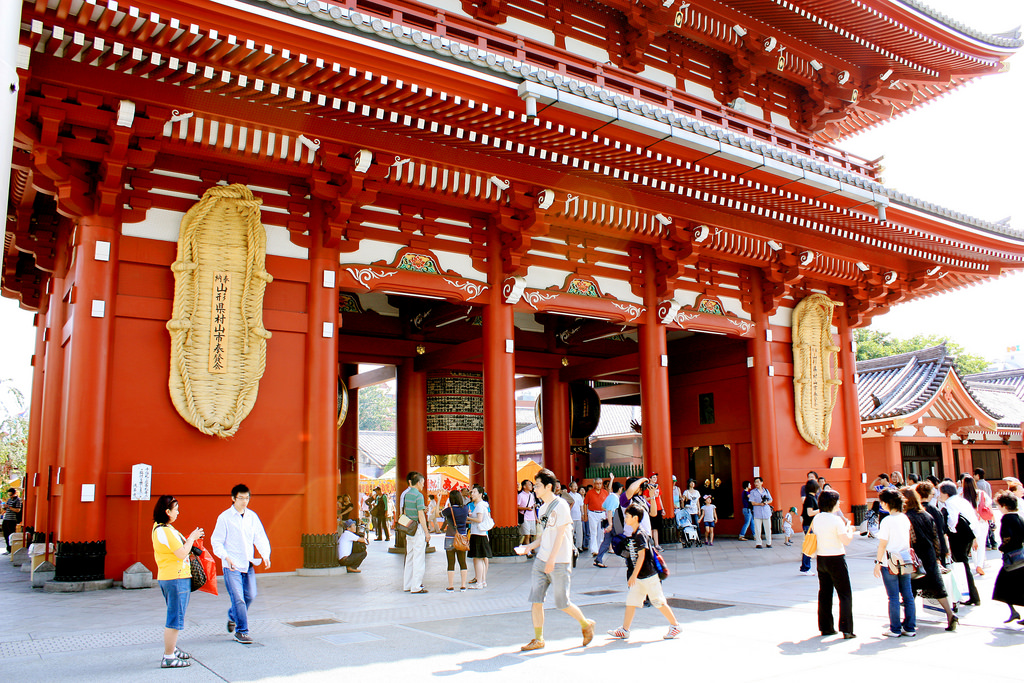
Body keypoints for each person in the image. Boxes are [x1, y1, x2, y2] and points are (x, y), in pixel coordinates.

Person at [515, 468, 595, 652]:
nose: (535, 488)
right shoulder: (542, 508)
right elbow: (545, 535)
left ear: (548, 486)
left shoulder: (561, 505)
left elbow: (560, 534)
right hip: (541, 560)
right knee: (536, 599)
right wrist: (529, 547)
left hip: (559, 561)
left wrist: (551, 560)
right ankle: (539, 638)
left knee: (562, 602)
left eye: (537, 485)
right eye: (534, 485)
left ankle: (585, 624)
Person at [606, 503, 682, 640]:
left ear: (635, 518)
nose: (626, 518)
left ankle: (675, 626)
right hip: (640, 577)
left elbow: (641, 556)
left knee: (659, 601)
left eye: (627, 516)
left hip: (648, 575)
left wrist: (633, 575)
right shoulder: (634, 534)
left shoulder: (640, 535)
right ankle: (625, 629)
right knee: (631, 601)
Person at [211, 484, 271, 645]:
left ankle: (232, 616)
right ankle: (242, 631)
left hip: (248, 563)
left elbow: (260, 537)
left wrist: (265, 554)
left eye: (247, 498)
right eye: (241, 498)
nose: (245, 501)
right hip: (231, 565)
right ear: (233, 498)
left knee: (250, 595)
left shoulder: (252, 516)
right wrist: (225, 556)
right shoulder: (224, 517)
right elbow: (216, 541)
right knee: (238, 598)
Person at [151, 494, 204, 668]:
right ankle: (168, 656)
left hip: (173, 577)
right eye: (176, 510)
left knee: (175, 615)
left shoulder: (163, 528)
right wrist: (192, 538)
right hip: (175, 578)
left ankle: (172, 649)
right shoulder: (164, 531)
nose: (178, 513)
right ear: (167, 511)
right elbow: (181, 553)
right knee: (174, 618)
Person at [904, 487, 957, 631]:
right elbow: (935, 537)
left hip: (916, 557)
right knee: (938, 587)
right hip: (930, 555)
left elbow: (911, 538)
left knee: (910, 589)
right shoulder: (926, 515)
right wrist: (938, 556)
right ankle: (950, 613)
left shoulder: (906, 517)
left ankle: (908, 620)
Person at [811, 490, 855, 639]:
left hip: (821, 558)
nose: (839, 503)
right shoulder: (836, 520)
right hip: (836, 558)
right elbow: (846, 540)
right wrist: (850, 530)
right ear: (833, 503)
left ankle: (826, 627)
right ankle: (847, 628)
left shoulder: (817, 518)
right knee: (845, 594)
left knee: (824, 593)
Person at [873, 488, 916, 637]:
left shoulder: (887, 521)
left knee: (893, 597)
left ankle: (895, 628)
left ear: (886, 503)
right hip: (905, 557)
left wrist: (878, 562)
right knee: (908, 594)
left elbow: (882, 544)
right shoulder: (905, 518)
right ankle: (910, 627)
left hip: (889, 560)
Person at [939, 482, 981, 607]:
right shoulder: (962, 500)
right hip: (969, 534)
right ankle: (973, 595)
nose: (939, 495)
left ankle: (970, 594)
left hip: (959, 535)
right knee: (964, 564)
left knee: (961, 564)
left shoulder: (951, 502)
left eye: (941, 492)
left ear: (946, 493)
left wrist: (950, 531)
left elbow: (953, 519)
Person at [991, 491, 1024, 624]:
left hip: (1012, 558)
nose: (998, 508)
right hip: (1021, 557)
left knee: (1002, 586)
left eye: (999, 505)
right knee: (1018, 586)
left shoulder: (1007, 519)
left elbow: (1007, 537)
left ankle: (1013, 611)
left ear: (1004, 505)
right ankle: (1013, 611)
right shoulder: (1020, 517)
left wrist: (1002, 548)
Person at [402, 471, 430, 594]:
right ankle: (416, 586)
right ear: (418, 482)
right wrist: (427, 532)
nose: (423, 485)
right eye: (422, 483)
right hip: (417, 529)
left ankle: (407, 585)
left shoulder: (406, 495)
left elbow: (405, 512)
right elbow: (421, 515)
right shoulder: (419, 496)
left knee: (410, 557)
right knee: (419, 558)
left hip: (409, 529)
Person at [961, 475, 990, 576]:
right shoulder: (981, 494)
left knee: (973, 545)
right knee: (982, 544)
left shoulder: (962, 496)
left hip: (968, 524)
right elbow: (988, 506)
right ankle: (979, 565)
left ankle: (975, 563)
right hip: (981, 522)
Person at [441, 490, 470, 592]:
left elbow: (438, 514)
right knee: (463, 562)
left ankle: (451, 586)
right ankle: (463, 586)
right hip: (462, 537)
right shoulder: (465, 508)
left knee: (451, 563)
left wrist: (439, 500)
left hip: (450, 537)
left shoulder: (449, 510)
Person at [467, 483, 493, 588]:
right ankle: (482, 581)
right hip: (480, 533)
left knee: (478, 559)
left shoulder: (480, 505)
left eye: (474, 492)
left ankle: (479, 583)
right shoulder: (483, 505)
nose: (472, 494)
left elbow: (479, 520)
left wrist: (468, 518)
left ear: (480, 494)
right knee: (481, 559)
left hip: (478, 534)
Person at [594, 480, 623, 568]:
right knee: (622, 540)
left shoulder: (610, 497)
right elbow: (610, 510)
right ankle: (628, 559)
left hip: (610, 520)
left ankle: (598, 559)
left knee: (606, 542)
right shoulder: (614, 498)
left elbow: (603, 506)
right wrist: (611, 524)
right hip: (614, 521)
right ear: (620, 489)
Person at [584, 478, 609, 555]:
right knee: (593, 532)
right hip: (592, 513)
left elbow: (607, 504)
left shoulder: (605, 492)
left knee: (601, 532)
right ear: (594, 484)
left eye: (600, 483)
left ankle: (599, 548)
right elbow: (585, 504)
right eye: (597, 483)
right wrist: (585, 515)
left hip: (602, 513)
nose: (598, 485)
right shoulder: (590, 493)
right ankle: (594, 550)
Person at [800, 478, 820, 576]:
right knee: (809, 546)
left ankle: (805, 567)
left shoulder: (811, 498)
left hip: (810, 524)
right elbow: (810, 513)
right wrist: (820, 510)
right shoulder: (810, 499)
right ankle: (805, 567)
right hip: (809, 525)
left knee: (810, 545)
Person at [749, 477, 773, 548]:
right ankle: (758, 543)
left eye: (758, 482)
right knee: (758, 529)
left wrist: (766, 503)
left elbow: (770, 500)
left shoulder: (766, 490)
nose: (756, 483)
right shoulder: (753, 492)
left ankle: (769, 542)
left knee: (768, 528)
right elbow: (752, 503)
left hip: (766, 511)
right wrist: (760, 504)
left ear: (762, 482)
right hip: (757, 512)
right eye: (755, 482)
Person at [518, 480, 539, 551]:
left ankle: (530, 548)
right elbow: (516, 506)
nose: (531, 486)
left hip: (532, 517)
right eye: (529, 484)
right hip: (525, 517)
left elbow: (533, 507)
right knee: (527, 535)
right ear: (524, 486)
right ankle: (528, 551)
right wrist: (526, 508)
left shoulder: (531, 495)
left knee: (532, 535)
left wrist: (536, 518)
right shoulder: (520, 495)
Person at [647, 473, 665, 548]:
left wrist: (662, 508)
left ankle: (657, 544)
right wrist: (652, 497)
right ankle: (651, 544)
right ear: (650, 478)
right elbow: (645, 498)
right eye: (653, 477)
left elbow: (659, 498)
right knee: (651, 526)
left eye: (656, 477)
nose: (655, 479)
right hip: (651, 508)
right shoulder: (647, 487)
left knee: (656, 527)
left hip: (658, 508)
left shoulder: (658, 486)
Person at [2, 488, 22, 554]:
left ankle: (12, 549)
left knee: (11, 534)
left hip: (12, 519)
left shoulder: (18, 500)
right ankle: (8, 548)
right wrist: (4, 507)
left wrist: (9, 507)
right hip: (6, 518)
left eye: (11, 495)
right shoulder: (9, 500)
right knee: (5, 534)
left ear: (14, 494)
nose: (10, 496)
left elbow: (18, 510)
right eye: (9, 495)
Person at [567, 481, 585, 551]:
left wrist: (582, 514)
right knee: (571, 533)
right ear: (570, 487)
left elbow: (581, 506)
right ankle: (571, 546)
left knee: (579, 533)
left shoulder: (579, 495)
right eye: (574, 486)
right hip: (571, 517)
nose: (575, 488)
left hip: (578, 516)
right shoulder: (568, 495)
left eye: (576, 486)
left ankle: (579, 546)